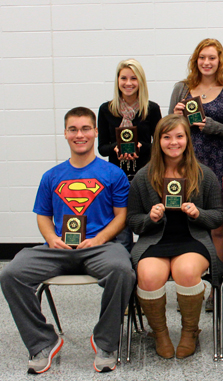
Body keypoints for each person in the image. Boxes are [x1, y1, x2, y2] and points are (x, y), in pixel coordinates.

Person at [0, 107, 135, 374]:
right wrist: (51, 238)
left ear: (96, 132)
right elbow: (43, 216)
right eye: (73, 129)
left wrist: (99, 239)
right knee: (11, 273)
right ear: (65, 133)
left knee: (123, 271)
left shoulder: (113, 174)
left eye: (85, 128)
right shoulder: (51, 176)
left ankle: (105, 343)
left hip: (102, 248)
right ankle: (43, 342)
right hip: (59, 249)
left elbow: (121, 217)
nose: (79, 134)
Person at [127, 114, 223, 359]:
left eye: (179, 136)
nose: (173, 142)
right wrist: (150, 217)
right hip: (155, 241)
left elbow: (217, 217)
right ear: (158, 141)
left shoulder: (205, 174)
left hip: (193, 241)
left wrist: (198, 213)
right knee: (147, 276)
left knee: (187, 272)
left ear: (187, 139)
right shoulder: (143, 176)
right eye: (167, 137)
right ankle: (159, 333)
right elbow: (133, 222)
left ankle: (190, 331)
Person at [169, 38, 223, 310]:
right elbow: (168, 129)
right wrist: (178, 116)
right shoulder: (181, 88)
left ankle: (216, 285)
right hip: (185, 167)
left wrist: (213, 126)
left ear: (220, 60)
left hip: (219, 165)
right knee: (186, 225)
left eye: (212, 57)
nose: (207, 62)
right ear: (195, 59)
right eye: (202, 57)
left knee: (218, 228)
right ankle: (189, 286)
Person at [98, 58, 162, 252]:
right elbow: (101, 148)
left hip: (145, 177)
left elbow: (160, 145)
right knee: (122, 233)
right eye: (123, 78)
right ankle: (123, 274)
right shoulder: (106, 109)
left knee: (148, 227)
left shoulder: (151, 109)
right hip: (116, 177)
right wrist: (116, 148)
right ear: (117, 81)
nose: (128, 83)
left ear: (140, 81)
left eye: (133, 78)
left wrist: (141, 147)